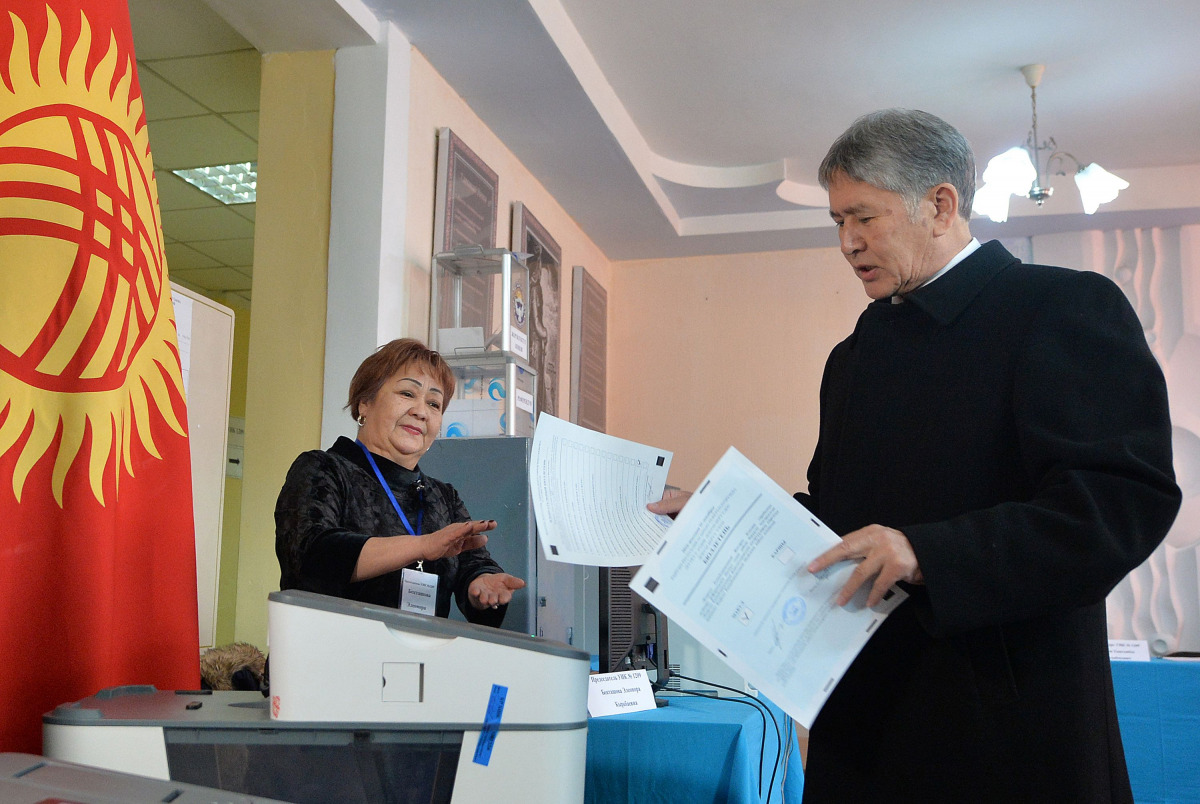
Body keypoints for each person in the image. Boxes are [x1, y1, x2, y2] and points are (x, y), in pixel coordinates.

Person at [650, 109, 1180, 801]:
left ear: (940, 205)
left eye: (863, 218)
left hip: (1007, 730)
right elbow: (840, 523)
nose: (847, 242)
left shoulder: (1061, 306)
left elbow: (1120, 503)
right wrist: (726, 519)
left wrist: (927, 553)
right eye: (838, 221)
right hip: (865, 724)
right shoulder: (853, 357)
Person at [275, 338, 525, 626]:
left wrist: (482, 584)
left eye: (434, 403)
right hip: (330, 648)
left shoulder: (443, 497)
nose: (421, 411)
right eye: (407, 393)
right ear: (364, 403)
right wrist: (423, 546)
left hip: (420, 653)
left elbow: (474, 563)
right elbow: (312, 557)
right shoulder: (322, 469)